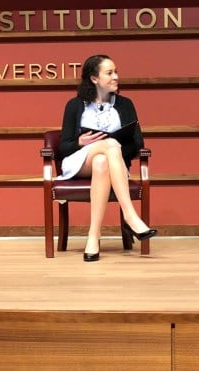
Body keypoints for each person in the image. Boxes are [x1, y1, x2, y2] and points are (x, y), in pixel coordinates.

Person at [58, 54, 157, 262]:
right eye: (109, 73)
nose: (116, 77)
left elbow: (138, 142)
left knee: (103, 160)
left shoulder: (125, 104)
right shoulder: (75, 105)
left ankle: (93, 236)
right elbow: (63, 147)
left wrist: (116, 145)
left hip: (113, 163)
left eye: (116, 72)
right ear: (94, 79)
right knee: (110, 145)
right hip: (79, 162)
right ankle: (130, 216)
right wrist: (80, 142)